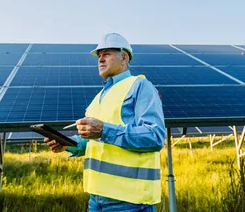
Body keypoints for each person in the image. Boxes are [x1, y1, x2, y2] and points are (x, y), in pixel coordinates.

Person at [45, 33, 166, 212]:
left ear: (124, 57)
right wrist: (67, 145)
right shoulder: (98, 98)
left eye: (106, 54)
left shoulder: (140, 86)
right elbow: (94, 144)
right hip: (96, 198)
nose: (100, 59)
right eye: (99, 56)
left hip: (130, 201)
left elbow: (154, 137)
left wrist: (103, 130)